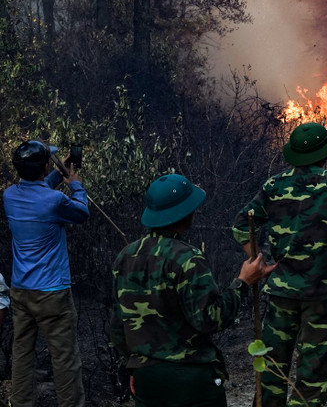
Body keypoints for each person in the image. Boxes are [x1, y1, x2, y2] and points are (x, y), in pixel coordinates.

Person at [110, 173, 275, 407]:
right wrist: (243, 282)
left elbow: (118, 326)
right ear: (184, 213)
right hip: (190, 379)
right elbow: (211, 319)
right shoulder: (187, 259)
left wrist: (133, 365)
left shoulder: (124, 257)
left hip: (147, 379)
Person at [232, 122, 327, 407]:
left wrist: (258, 263)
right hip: (322, 292)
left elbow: (242, 225)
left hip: (281, 290)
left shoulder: (274, 185)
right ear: (325, 154)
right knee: (314, 369)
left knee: (272, 365)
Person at [3, 140, 89, 407]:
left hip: (21, 290)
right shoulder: (55, 201)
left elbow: (38, 193)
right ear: (43, 168)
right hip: (52, 293)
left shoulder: (9, 196)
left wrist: (57, 175)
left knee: (22, 354)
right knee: (64, 359)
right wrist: (75, 184)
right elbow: (82, 212)